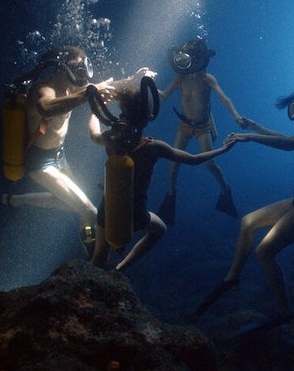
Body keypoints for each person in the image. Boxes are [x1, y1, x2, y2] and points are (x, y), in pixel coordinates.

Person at [193, 87, 294, 333]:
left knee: (265, 251)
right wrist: (255, 127)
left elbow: (288, 145)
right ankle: (232, 278)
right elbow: (285, 138)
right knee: (248, 222)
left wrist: (247, 137)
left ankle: (284, 312)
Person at [0, 45, 148, 256]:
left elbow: (104, 86)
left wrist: (134, 79)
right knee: (88, 210)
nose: (82, 74)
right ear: (62, 68)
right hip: (39, 162)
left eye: (84, 68)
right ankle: (93, 256)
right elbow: (46, 107)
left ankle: (17, 200)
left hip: (59, 156)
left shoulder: (70, 88)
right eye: (78, 68)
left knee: (71, 204)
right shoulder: (45, 89)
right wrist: (88, 95)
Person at [87, 76, 237, 271]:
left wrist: (94, 112)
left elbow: (93, 135)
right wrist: (223, 149)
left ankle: (85, 285)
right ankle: (119, 270)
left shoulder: (111, 139)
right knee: (159, 230)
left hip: (108, 208)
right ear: (149, 117)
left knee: (99, 257)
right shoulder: (154, 147)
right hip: (136, 214)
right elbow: (193, 159)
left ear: (122, 113)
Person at [156, 37, 247, 225]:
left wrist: (236, 116)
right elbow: (164, 94)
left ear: (200, 60)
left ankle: (225, 191)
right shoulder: (181, 78)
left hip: (202, 126)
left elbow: (224, 98)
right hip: (185, 125)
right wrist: (148, 86)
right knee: (174, 163)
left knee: (210, 164)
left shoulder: (207, 79)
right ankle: (170, 196)